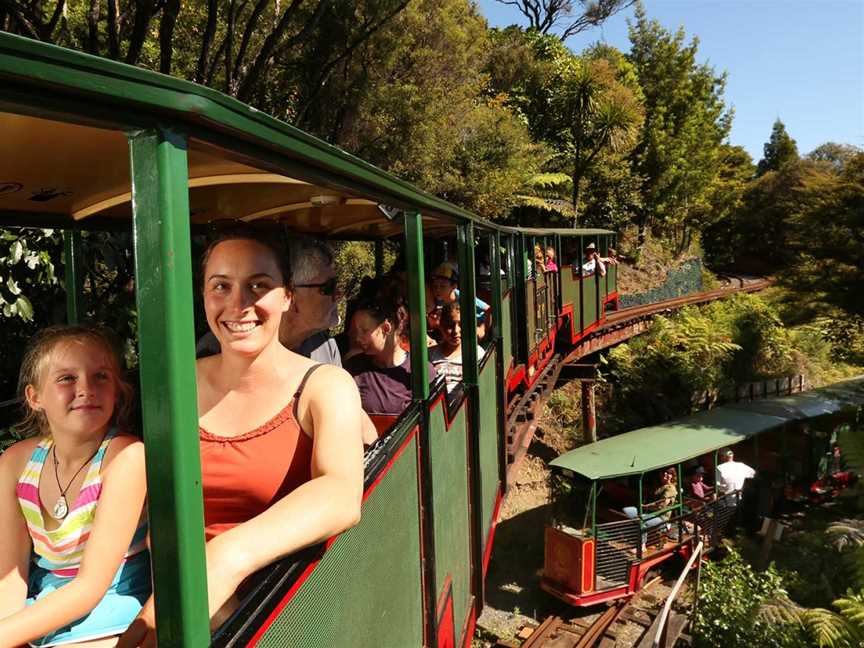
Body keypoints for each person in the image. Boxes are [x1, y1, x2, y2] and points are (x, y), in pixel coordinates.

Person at [119, 227, 364, 645]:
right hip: (175, 598)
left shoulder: (325, 385)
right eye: (221, 286)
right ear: (204, 296)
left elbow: (341, 493)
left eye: (258, 285)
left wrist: (225, 559)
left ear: (287, 296)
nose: (239, 304)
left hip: (284, 609)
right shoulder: (174, 384)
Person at [0, 325, 149, 647]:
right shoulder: (16, 463)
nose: (86, 388)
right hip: (43, 602)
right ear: (35, 397)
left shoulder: (126, 458)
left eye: (101, 377)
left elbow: (90, 588)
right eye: (67, 378)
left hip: (109, 605)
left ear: (117, 391)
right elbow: (10, 576)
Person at [197, 235, 342, 366]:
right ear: (290, 296)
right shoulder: (216, 350)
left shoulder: (325, 346)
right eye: (328, 287)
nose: (339, 294)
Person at [345, 298, 437, 415]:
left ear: (386, 328)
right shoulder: (355, 367)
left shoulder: (421, 371)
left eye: (364, 330)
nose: (358, 338)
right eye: (356, 331)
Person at [428, 303, 485, 394]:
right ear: (441, 326)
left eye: (461, 325)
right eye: (450, 325)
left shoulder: (477, 353)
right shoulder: (430, 355)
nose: (456, 331)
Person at [429, 262, 490, 341]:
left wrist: (483, 329)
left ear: (454, 286)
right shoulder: (437, 301)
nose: (438, 290)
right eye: (435, 286)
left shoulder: (463, 297)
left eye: (442, 286)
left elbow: (488, 309)